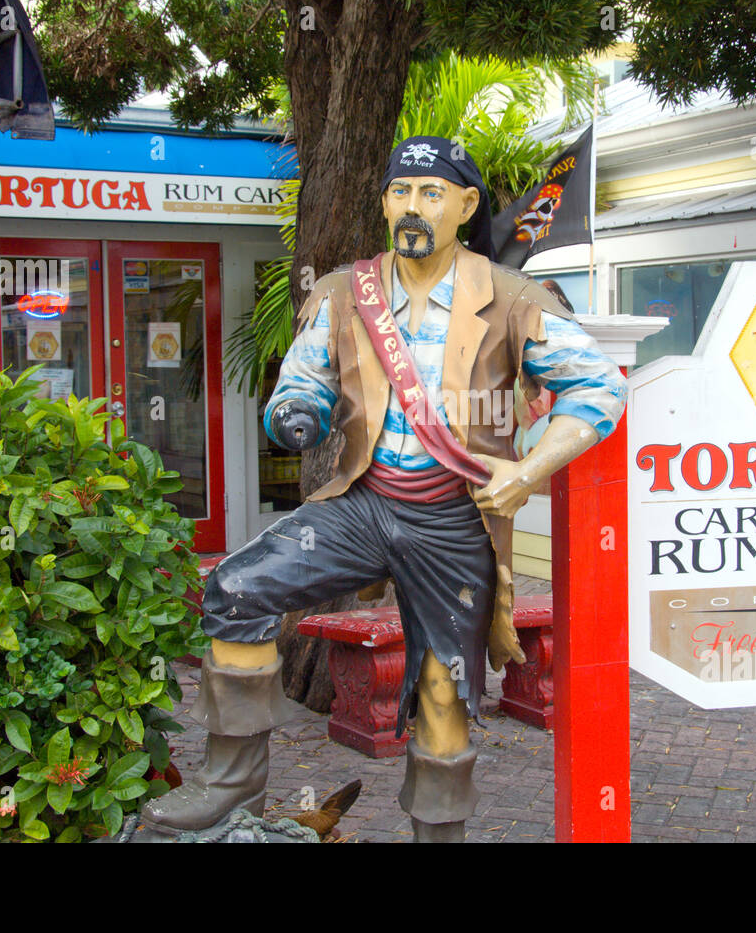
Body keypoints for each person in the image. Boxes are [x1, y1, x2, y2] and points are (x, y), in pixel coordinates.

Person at [140, 135, 626, 842]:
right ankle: (231, 782)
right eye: (401, 191)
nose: (413, 207)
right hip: (363, 504)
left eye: (431, 193)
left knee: (443, 693)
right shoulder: (344, 291)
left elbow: (599, 387)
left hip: (455, 521)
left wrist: (526, 471)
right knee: (237, 587)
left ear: (464, 205)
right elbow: (301, 380)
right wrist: (296, 411)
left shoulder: (513, 298)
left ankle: (438, 833)